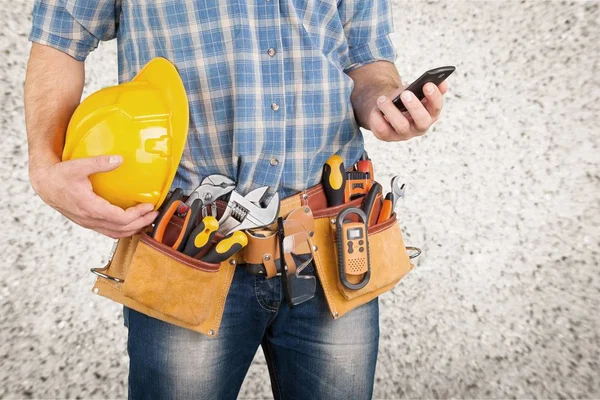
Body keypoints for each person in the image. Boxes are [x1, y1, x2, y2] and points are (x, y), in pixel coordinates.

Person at [24, 1, 449, 399]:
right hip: (185, 252)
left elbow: (364, 57)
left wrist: (382, 99)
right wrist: (44, 167)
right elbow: (60, 39)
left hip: (335, 245)